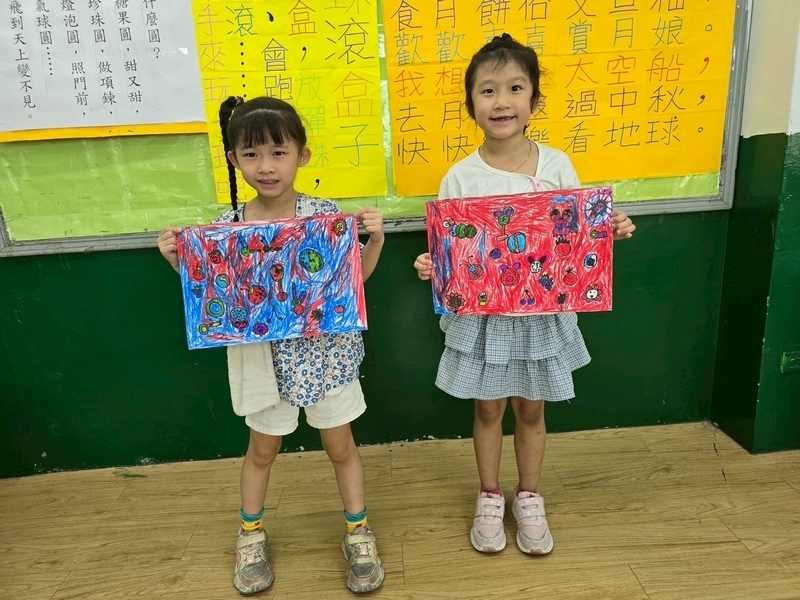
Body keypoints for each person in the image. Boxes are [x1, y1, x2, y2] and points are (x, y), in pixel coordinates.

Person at [413, 34, 636, 556]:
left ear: (534, 99)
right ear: (471, 103)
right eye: (487, 90)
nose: (502, 101)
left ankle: (529, 496)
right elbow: (451, 251)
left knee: (531, 411)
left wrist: (608, 230)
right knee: (488, 409)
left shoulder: (556, 166)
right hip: (485, 319)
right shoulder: (460, 177)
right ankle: (490, 496)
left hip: (540, 316)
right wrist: (432, 265)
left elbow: (575, 237)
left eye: (515, 88)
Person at [157, 96, 386, 594]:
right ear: (234, 160)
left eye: (278, 153)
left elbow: (351, 286)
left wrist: (375, 243)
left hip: (325, 357)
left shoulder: (325, 216)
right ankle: (250, 534)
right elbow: (215, 297)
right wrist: (179, 260)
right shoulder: (226, 228)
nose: (266, 166)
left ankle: (358, 530)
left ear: (302, 155)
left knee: (340, 446)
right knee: (262, 450)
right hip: (261, 362)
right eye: (252, 154)